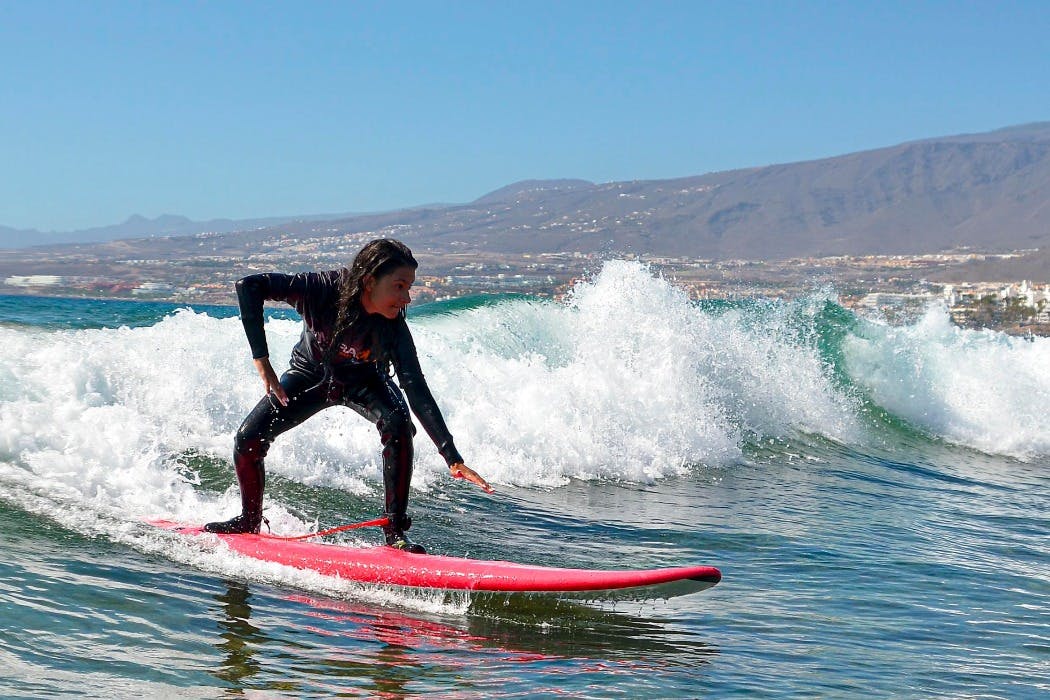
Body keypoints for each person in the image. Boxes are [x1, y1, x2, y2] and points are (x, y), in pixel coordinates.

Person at [205, 238, 493, 553]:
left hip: (365, 381)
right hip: (310, 376)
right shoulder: (322, 289)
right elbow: (249, 286)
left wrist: (452, 458)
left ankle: (395, 533)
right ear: (370, 281)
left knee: (397, 425)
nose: (406, 297)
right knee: (247, 439)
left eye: (408, 287)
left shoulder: (393, 328)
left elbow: (415, 387)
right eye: (399, 286)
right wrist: (261, 359)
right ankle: (249, 520)